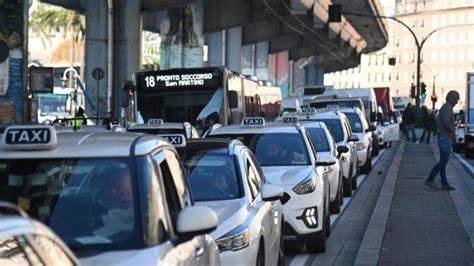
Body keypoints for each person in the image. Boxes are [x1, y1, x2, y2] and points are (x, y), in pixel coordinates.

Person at [425, 90, 460, 191]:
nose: (457, 101)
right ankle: (430, 179)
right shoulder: (448, 108)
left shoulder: (445, 107)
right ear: (452, 98)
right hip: (445, 137)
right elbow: (445, 122)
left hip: (442, 136)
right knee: (443, 161)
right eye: (456, 99)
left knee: (442, 161)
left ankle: (444, 183)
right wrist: (452, 131)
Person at [93, 167, 135, 238]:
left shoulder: (138, 213)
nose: (113, 192)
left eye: (119, 188)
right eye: (109, 186)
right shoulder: (91, 208)